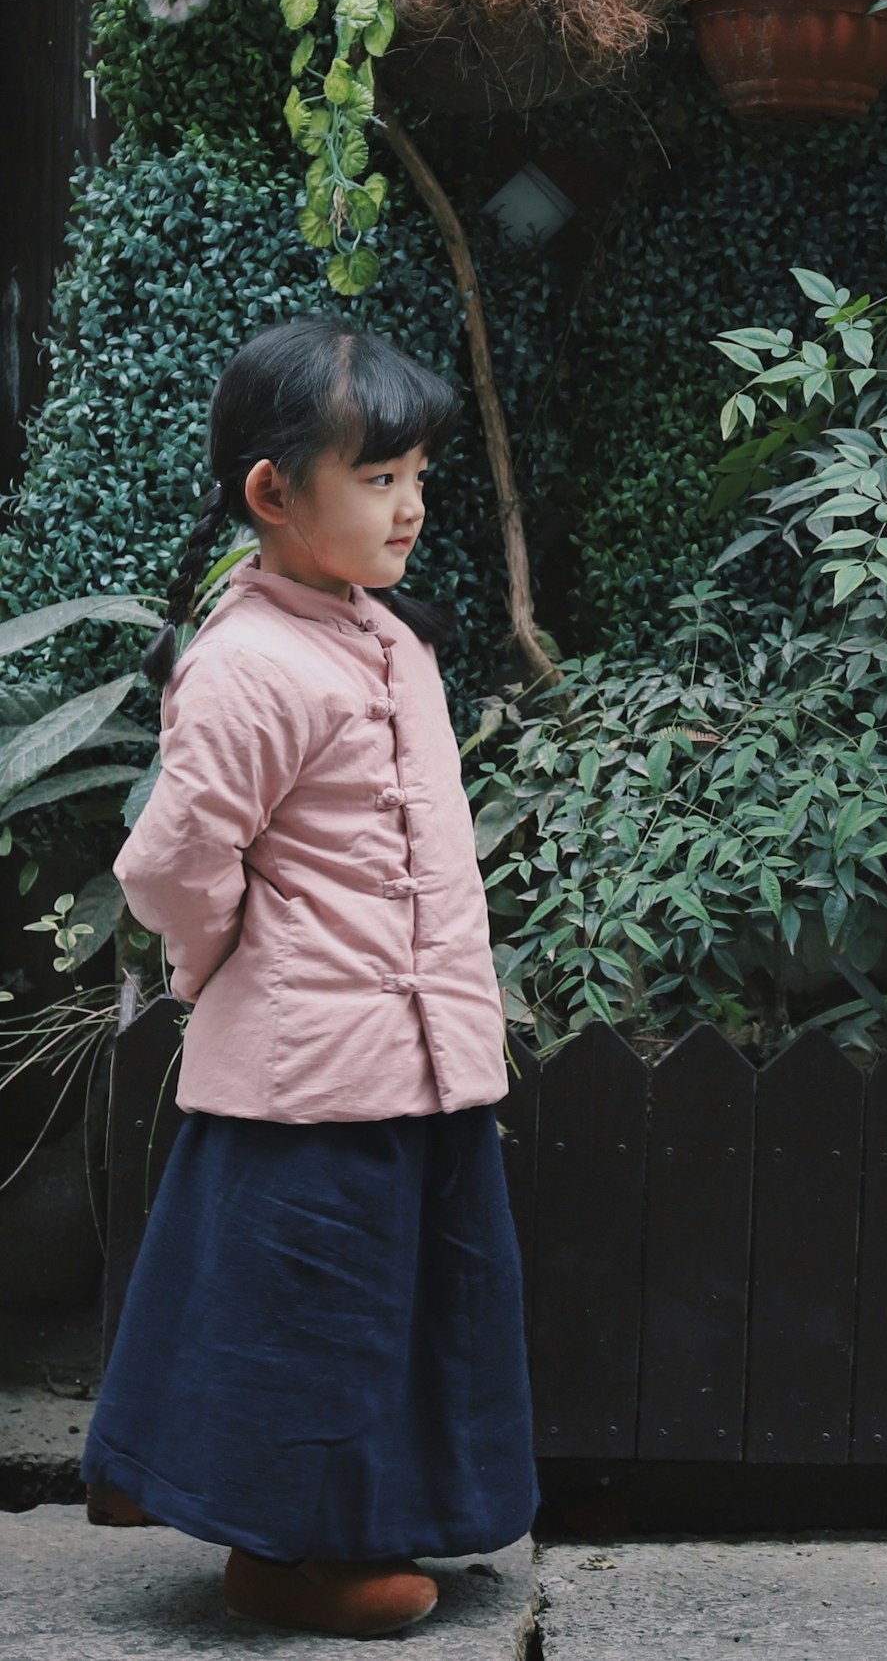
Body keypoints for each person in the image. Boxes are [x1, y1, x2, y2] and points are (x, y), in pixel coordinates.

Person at [81, 318, 538, 1638]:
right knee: (310, 1308)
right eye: (379, 477)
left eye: (416, 474)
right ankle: (294, 1553)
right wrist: (221, 960)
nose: (412, 504)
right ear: (274, 496)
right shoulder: (246, 663)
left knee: (410, 1296)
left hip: (419, 1056)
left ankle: (366, 1525)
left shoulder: (384, 637)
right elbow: (172, 860)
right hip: (308, 1073)